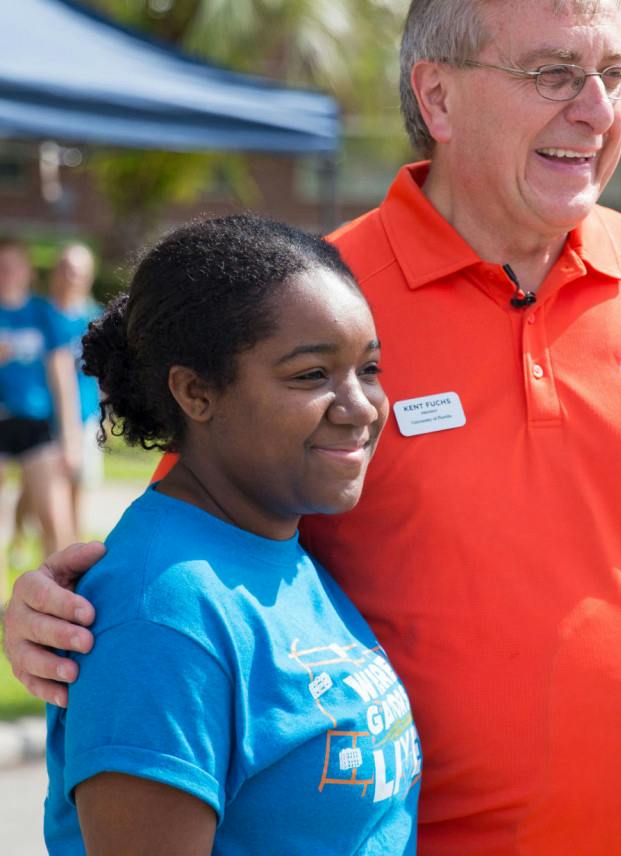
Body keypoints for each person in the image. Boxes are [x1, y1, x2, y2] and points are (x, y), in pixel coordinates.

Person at [6, 0, 621, 856]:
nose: (596, 110)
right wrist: (61, 615)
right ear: (437, 96)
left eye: (614, 74)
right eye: (554, 74)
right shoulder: (312, 310)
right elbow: (198, 538)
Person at [43, 215, 420, 855]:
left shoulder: (276, 544)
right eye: (311, 375)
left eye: (370, 367)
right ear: (196, 392)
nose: (359, 406)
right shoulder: (162, 617)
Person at [0, 237, 79, 603]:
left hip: (35, 425)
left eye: (13, 265)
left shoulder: (41, 313)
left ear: (28, 271)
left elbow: (62, 378)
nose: (7, 273)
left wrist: (71, 438)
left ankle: (55, 600)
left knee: (54, 518)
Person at [15, 242, 103, 542]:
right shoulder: (40, 313)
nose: (70, 277)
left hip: (85, 416)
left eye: (77, 271)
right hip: (44, 418)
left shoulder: (95, 318)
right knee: (43, 492)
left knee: (77, 489)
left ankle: (71, 553)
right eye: (64, 269)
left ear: (89, 276)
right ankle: (19, 534)